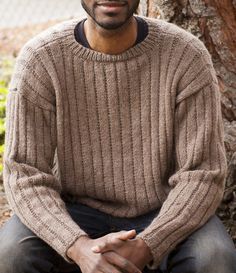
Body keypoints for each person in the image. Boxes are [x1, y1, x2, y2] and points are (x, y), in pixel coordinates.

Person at [0, 0, 235, 272]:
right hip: (71, 211)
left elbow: (203, 172)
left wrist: (149, 244)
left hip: (162, 210)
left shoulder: (185, 55)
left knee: (214, 257)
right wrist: (77, 246)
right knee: (10, 254)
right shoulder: (41, 59)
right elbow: (24, 172)